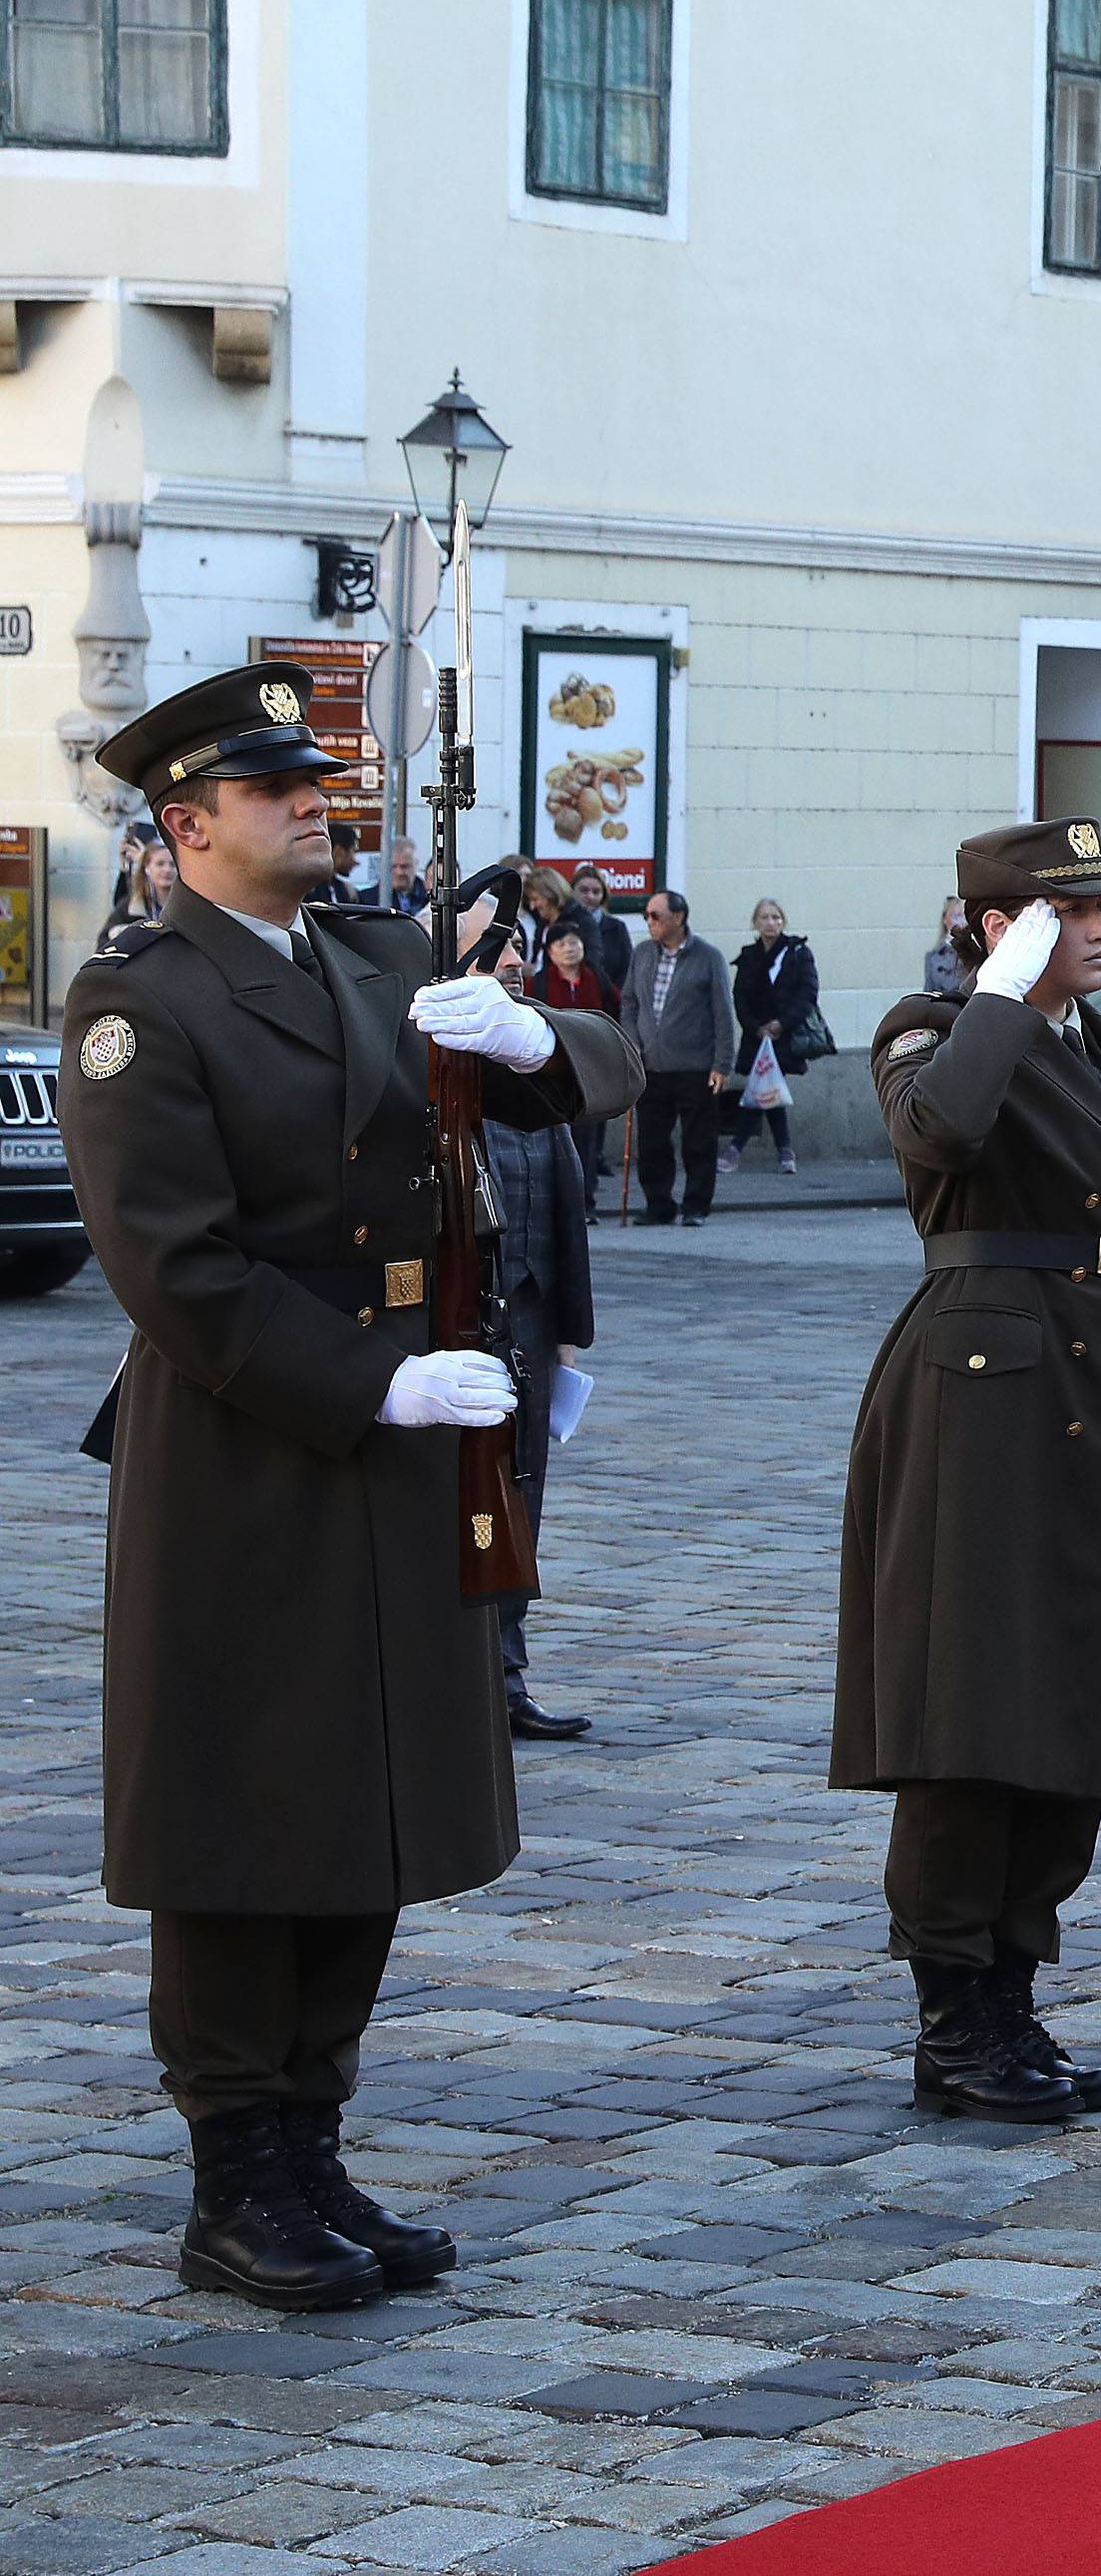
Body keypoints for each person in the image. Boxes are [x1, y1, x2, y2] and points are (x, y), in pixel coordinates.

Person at [58, 661, 642, 2315]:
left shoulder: (380, 951)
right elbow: (172, 1266)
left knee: (373, 1792)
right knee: (249, 1807)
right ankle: (237, 2174)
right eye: (272, 789)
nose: (313, 803)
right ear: (185, 826)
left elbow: (561, 1078)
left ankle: (314, 2144)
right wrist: (368, 1373)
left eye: (314, 782)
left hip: (409, 1435)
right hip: (253, 1447)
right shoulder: (140, 1004)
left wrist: (538, 1037)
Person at [835, 817, 1101, 2122]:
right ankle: (954, 2012)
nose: (1100, 927)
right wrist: (998, 992)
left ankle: (1017, 1988)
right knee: (967, 1715)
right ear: (996, 922)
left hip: (1095, 1400)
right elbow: (939, 1138)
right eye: (1069, 909)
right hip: (974, 1406)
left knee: (1069, 1709)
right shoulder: (931, 1028)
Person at [480, 918, 606, 1741]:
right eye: (502, 958)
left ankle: (507, 1679)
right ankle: (458, 1680)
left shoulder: (537, 1080)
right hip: (457, 1331)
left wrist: (564, 1335)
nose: (521, 969)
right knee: (466, 1508)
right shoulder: (426, 1080)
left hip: (528, 1324)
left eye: (522, 954)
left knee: (521, 1506)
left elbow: (565, 1212)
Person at [619, 889, 733, 1227]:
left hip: (695, 1066)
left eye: (656, 916)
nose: (649, 922)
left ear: (678, 918)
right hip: (651, 1066)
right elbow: (628, 1003)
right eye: (647, 916)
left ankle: (696, 1205)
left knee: (698, 1141)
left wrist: (722, 1063)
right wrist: (631, 1040)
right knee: (652, 1141)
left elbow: (722, 1013)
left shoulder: (707, 957)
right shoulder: (642, 953)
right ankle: (659, 1204)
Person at [719, 898, 819, 1176]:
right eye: (764, 917)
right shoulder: (749, 956)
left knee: (764, 1088)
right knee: (767, 1089)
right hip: (757, 1036)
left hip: (784, 1037)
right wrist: (754, 1026)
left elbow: (807, 993)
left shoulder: (797, 952)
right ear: (755, 923)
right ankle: (785, 1151)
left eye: (775, 917)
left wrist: (781, 1024)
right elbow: (739, 997)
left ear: (783, 921)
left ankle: (736, 1149)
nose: (770, 922)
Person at [536, 913, 613, 1218]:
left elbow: (616, 1011)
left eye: (574, 942)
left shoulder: (597, 979)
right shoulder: (538, 983)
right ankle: (556, 1204)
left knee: (586, 1142)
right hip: (553, 1072)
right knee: (554, 1141)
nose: (570, 948)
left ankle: (586, 1203)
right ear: (551, 951)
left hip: (591, 1071)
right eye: (562, 944)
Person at [98, 836, 176, 951]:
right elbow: (104, 943)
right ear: (147, 868)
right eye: (160, 864)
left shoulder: (187, 905)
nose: (167, 870)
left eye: (172, 864)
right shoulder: (130, 907)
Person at [569, 863, 632, 1002]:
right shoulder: (564, 925)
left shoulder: (617, 928)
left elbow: (627, 969)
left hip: (609, 1003)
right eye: (584, 890)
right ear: (573, 891)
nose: (590, 896)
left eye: (596, 892)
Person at [359, 834, 429, 915]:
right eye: (393, 866)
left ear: (415, 864)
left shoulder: (429, 898)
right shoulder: (367, 901)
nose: (399, 872)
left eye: (405, 866)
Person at [521, 865, 572, 970]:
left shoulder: (577, 922)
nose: (532, 906)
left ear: (550, 894)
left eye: (535, 899)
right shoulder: (542, 924)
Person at [307, 822, 362, 907]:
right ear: (339, 852)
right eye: (353, 852)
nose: (356, 862)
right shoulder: (307, 891)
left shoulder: (345, 891)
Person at [923, 896, 965, 997]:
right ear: (945, 919)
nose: (961, 922)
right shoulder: (933, 957)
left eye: (963, 916)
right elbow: (928, 992)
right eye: (955, 916)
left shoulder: (974, 952)